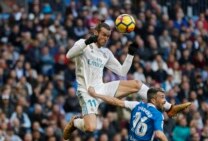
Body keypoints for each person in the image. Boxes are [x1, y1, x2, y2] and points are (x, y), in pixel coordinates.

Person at [63, 21, 191, 140]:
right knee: (90, 127)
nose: (106, 38)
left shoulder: (105, 53)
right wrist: (87, 42)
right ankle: (75, 122)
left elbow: (122, 71)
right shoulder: (83, 44)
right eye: (104, 35)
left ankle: (169, 108)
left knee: (136, 84)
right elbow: (69, 55)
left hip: (101, 87)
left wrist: (130, 54)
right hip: (87, 91)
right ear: (96, 33)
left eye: (108, 36)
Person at [88, 86, 169, 141]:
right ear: (153, 100)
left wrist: (96, 94)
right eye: (162, 97)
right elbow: (159, 134)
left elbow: (115, 101)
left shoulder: (136, 105)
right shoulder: (158, 115)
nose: (165, 100)